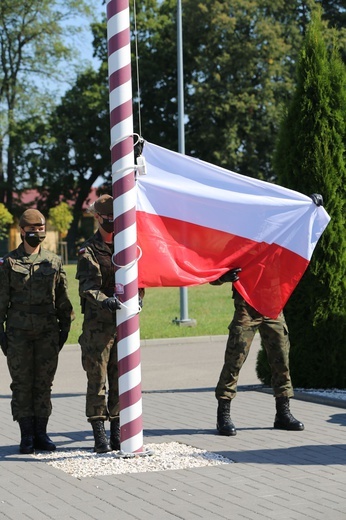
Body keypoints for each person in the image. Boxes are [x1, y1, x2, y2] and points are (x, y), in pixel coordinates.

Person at [0, 209, 74, 454]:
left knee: (43, 384)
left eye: (40, 231)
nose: (36, 234)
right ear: (22, 231)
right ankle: (26, 435)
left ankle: (42, 433)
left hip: (47, 332)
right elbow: (1, 301)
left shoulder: (53, 261)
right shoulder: (9, 262)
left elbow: (63, 299)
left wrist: (64, 328)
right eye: (31, 231)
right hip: (18, 333)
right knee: (21, 384)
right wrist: (2, 335)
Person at [76, 194, 144, 453]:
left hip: (123, 325)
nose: (113, 223)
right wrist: (105, 301)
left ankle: (117, 430)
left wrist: (139, 298)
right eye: (108, 219)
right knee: (97, 380)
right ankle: (98, 433)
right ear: (97, 218)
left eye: (117, 218)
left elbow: (139, 278)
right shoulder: (88, 250)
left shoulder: (127, 246)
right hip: (98, 327)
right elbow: (87, 287)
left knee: (120, 379)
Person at [211, 268, 304, 436]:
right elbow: (215, 268)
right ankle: (223, 414)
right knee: (235, 359)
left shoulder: (277, 241)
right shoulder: (243, 243)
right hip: (247, 306)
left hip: (273, 305)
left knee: (281, 360)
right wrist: (223, 277)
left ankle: (283, 413)